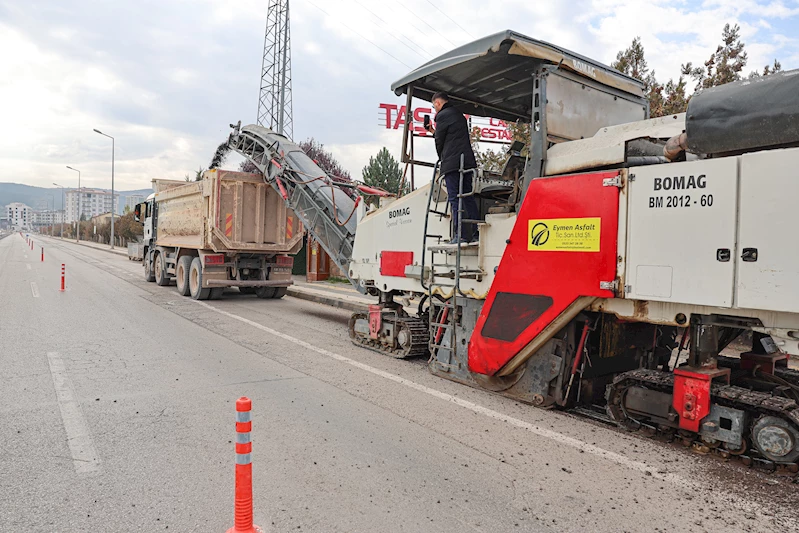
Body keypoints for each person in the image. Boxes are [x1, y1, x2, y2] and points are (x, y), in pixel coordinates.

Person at [425, 92, 479, 244]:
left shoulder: (442, 116)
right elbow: (451, 138)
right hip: (467, 161)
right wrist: (433, 132)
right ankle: (476, 234)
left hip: (453, 164)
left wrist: (442, 158)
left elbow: (440, 141)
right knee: (468, 197)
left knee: (454, 198)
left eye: (434, 106)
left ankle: (460, 235)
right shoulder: (459, 115)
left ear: (437, 103)